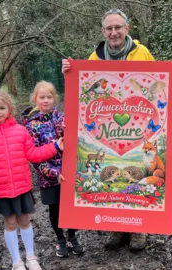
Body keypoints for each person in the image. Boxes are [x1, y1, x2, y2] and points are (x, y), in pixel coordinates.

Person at [61, 8, 154, 251]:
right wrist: (69, 72)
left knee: (134, 168)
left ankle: (138, 230)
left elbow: (157, 83)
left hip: (137, 121)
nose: (114, 32)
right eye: (109, 28)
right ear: (103, 31)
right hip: (107, 124)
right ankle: (117, 228)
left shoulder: (141, 53)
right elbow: (86, 88)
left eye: (118, 27)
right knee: (112, 172)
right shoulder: (95, 56)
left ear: (127, 28)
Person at [0, 90, 64, 270]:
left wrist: (55, 146)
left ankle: (30, 256)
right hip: (1, 190)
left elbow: (34, 154)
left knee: (25, 221)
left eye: (2, 108)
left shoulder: (20, 131)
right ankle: (16, 261)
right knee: (11, 223)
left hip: (22, 187)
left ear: (9, 109)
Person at [21, 81, 85, 258]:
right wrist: (53, 174)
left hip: (69, 173)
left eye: (49, 97)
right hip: (48, 177)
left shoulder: (63, 119)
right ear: (35, 99)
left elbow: (74, 142)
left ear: (54, 98)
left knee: (70, 207)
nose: (46, 100)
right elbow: (34, 156)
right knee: (55, 208)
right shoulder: (31, 125)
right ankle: (60, 239)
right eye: (42, 97)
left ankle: (72, 236)